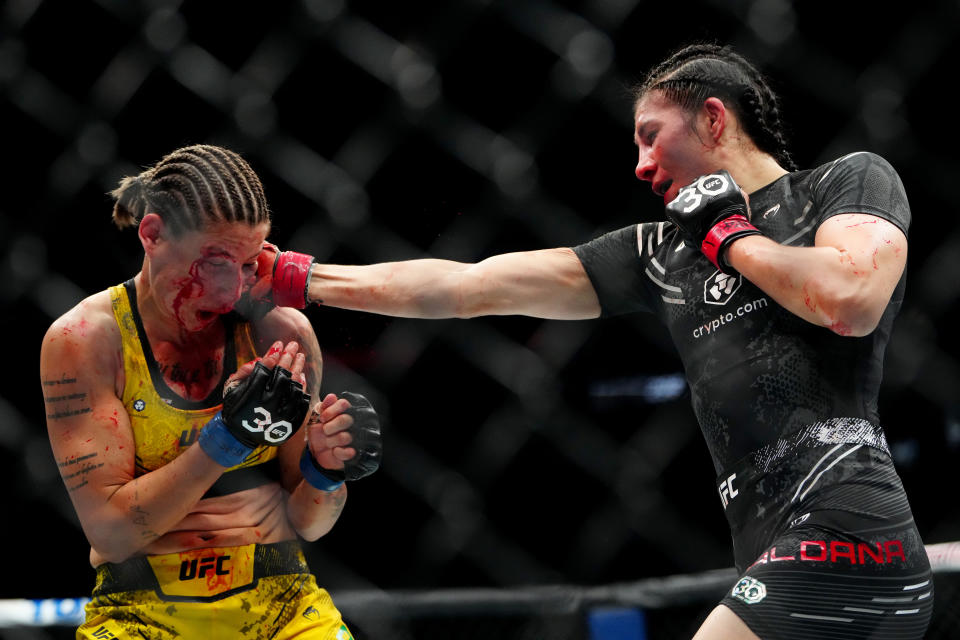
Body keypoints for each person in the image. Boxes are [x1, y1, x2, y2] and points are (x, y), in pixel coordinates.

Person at [248, 44, 932, 639]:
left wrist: (730, 237)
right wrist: (302, 277)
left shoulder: (840, 184)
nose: (639, 164)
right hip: (769, 545)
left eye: (650, 135)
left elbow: (849, 299)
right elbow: (468, 285)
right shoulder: (660, 254)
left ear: (714, 119)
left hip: (847, 529)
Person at [40, 144, 381, 640]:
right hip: (142, 610)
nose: (233, 290)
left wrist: (328, 473)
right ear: (153, 235)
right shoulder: (88, 341)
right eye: (217, 262)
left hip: (280, 602)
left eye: (250, 265)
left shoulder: (278, 332)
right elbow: (112, 533)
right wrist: (228, 438)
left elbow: (310, 523)